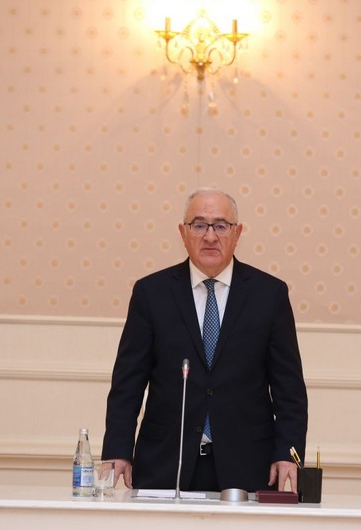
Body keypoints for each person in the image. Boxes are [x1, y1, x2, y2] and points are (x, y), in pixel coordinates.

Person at [101, 187, 308, 493]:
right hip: (165, 462)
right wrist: (118, 449)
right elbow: (127, 383)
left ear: (237, 233)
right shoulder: (151, 293)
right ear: (182, 232)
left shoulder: (269, 294)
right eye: (199, 225)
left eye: (221, 226)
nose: (210, 236)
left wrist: (288, 452)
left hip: (249, 464)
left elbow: (289, 388)